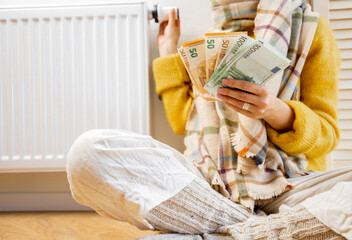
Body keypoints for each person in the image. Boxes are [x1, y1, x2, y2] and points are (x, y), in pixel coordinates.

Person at [66, 0, 352, 239]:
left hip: (287, 187)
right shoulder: (211, 39)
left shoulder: (311, 30)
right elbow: (184, 123)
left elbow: (327, 136)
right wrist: (167, 52)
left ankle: (222, 232)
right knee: (87, 153)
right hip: (210, 188)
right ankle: (252, 228)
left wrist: (274, 110)